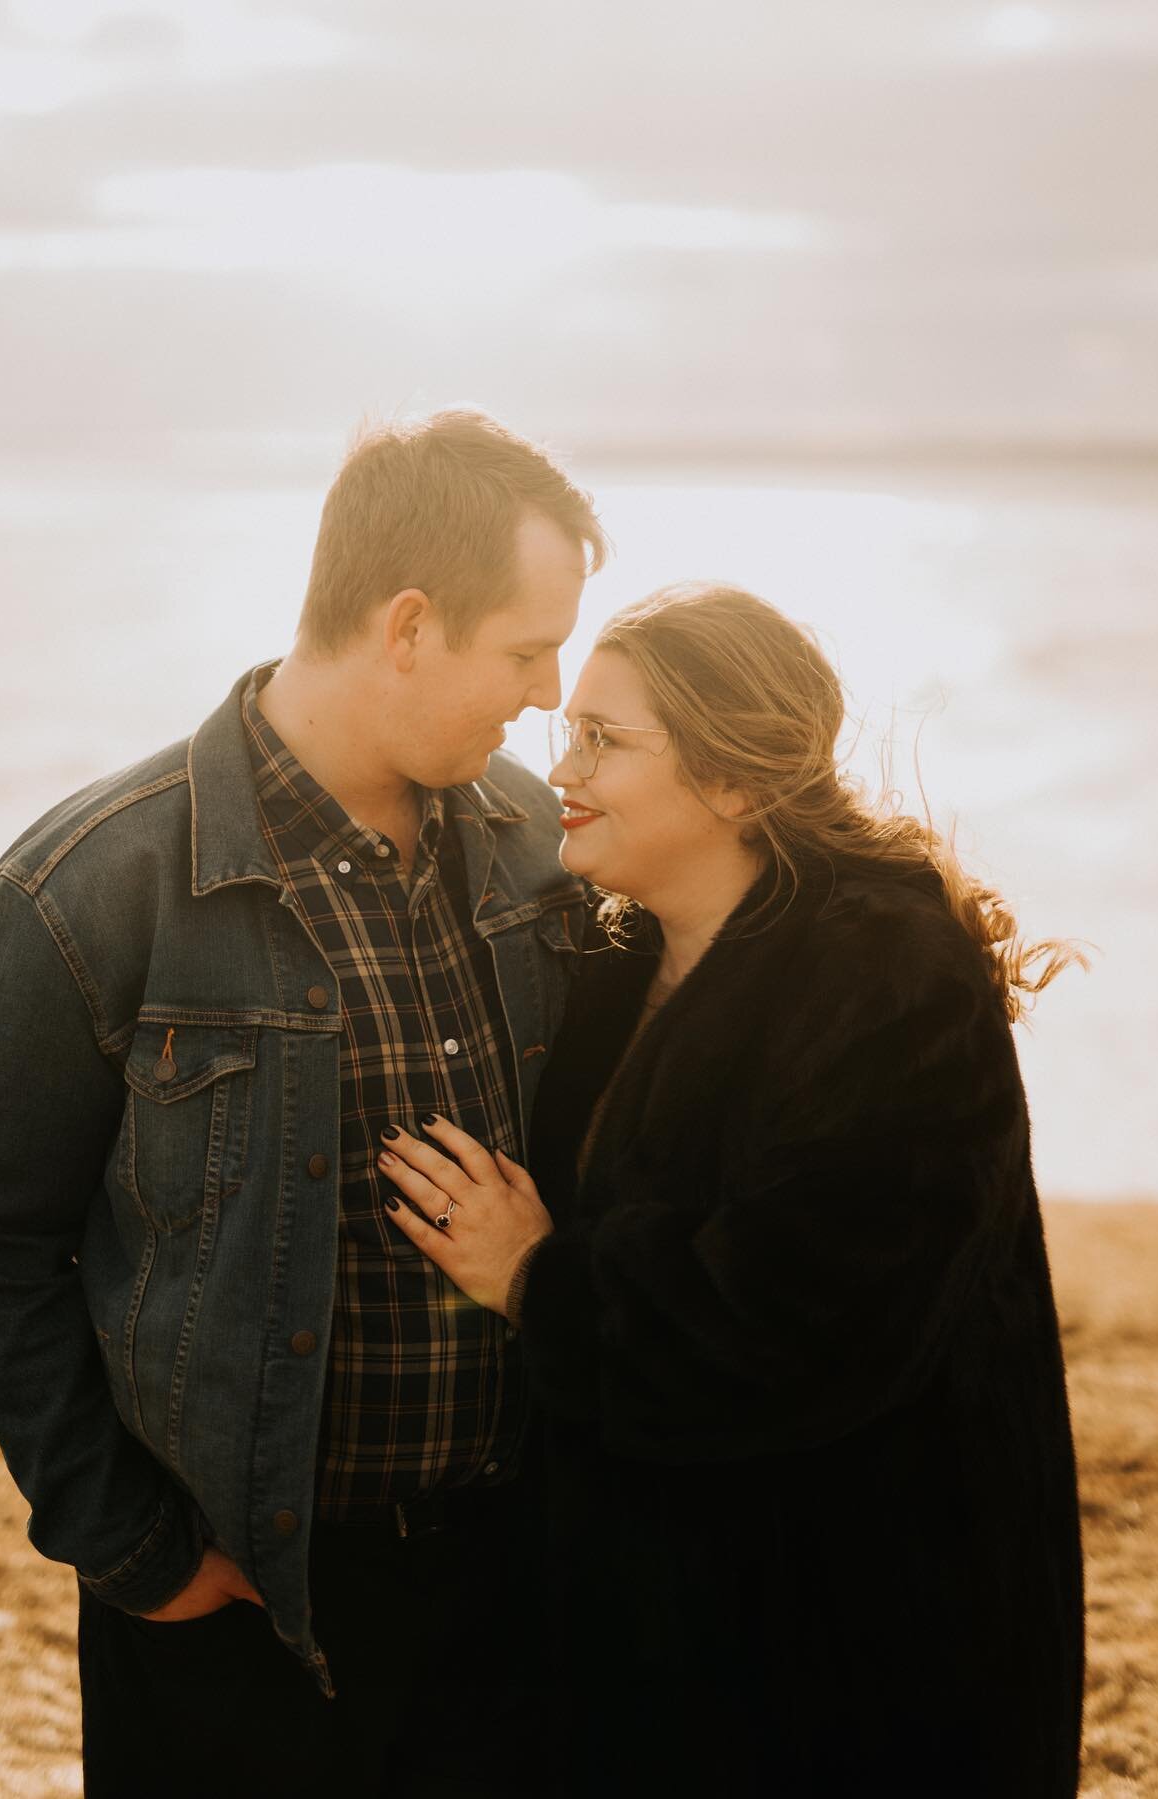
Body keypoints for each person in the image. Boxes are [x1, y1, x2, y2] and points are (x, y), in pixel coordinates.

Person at [0, 409, 605, 1797]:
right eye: (528, 651)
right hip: (242, 1601)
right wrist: (138, 1555)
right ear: (408, 624)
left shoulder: (542, 848)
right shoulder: (87, 887)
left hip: (517, 1585)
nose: (546, 695)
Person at [376, 581, 1087, 1797]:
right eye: (569, 730)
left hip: (857, 1657)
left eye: (605, 737)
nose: (564, 766)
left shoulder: (886, 974)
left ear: (738, 781)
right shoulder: (611, 961)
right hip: (661, 1654)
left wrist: (540, 1277)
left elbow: (800, 1329)